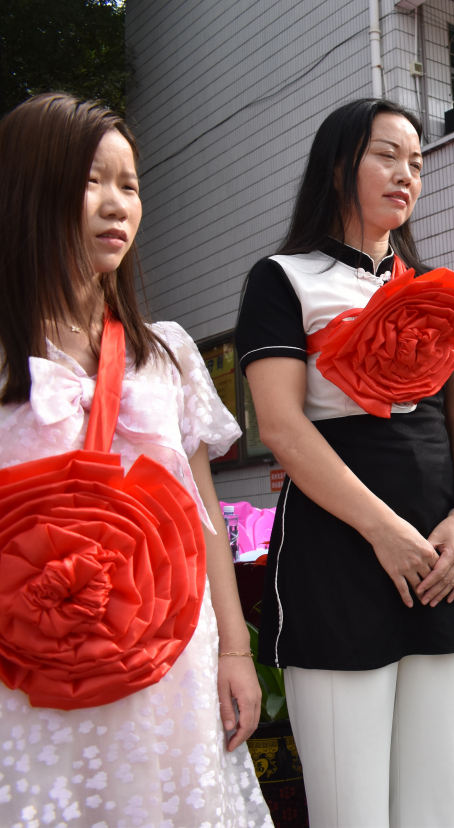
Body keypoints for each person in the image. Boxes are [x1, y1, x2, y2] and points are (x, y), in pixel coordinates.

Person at [0, 93, 270, 825]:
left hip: (169, 664)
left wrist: (234, 654)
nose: (118, 204)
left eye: (130, 185)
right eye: (93, 180)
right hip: (31, 676)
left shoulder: (168, 353)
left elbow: (202, 512)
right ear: (30, 188)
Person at [237, 99, 454, 826]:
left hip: (441, 555)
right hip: (339, 552)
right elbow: (283, 427)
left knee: (434, 807)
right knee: (353, 812)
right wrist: (383, 531)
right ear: (337, 166)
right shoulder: (282, 278)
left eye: (416, 162)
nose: (406, 174)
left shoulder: (439, 290)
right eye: (387, 155)